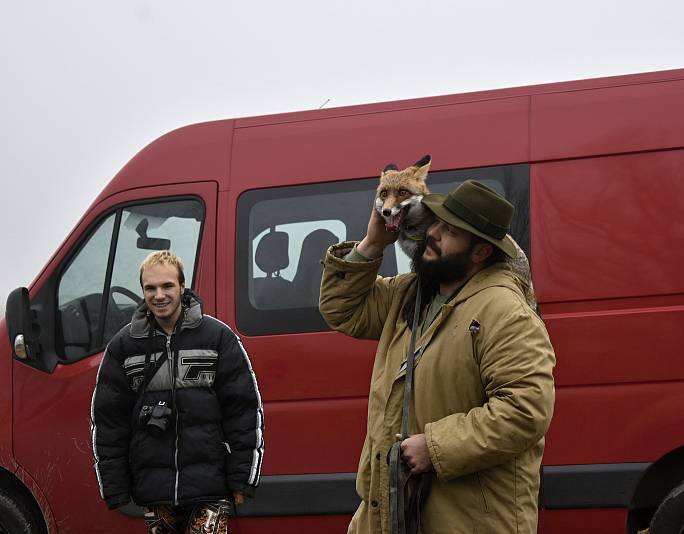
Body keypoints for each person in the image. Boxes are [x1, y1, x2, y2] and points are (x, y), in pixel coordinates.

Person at [319, 180, 556, 534]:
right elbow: (343, 310)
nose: (433, 234)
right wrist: (372, 243)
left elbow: (525, 410)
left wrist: (434, 447)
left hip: (465, 521)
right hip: (393, 515)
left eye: (450, 232)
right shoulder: (411, 293)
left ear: (479, 253)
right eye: (438, 223)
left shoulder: (506, 312)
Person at [90, 250, 264, 534]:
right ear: (143, 290)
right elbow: (109, 422)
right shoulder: (124, 346)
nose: (159, 295)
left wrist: (241, 478)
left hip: (210, 486)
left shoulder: (218, 337)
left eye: (167, 286)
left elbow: (244, 412)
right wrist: (115, 486)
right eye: (150, 288)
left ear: (182, 287)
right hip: (154, 489)